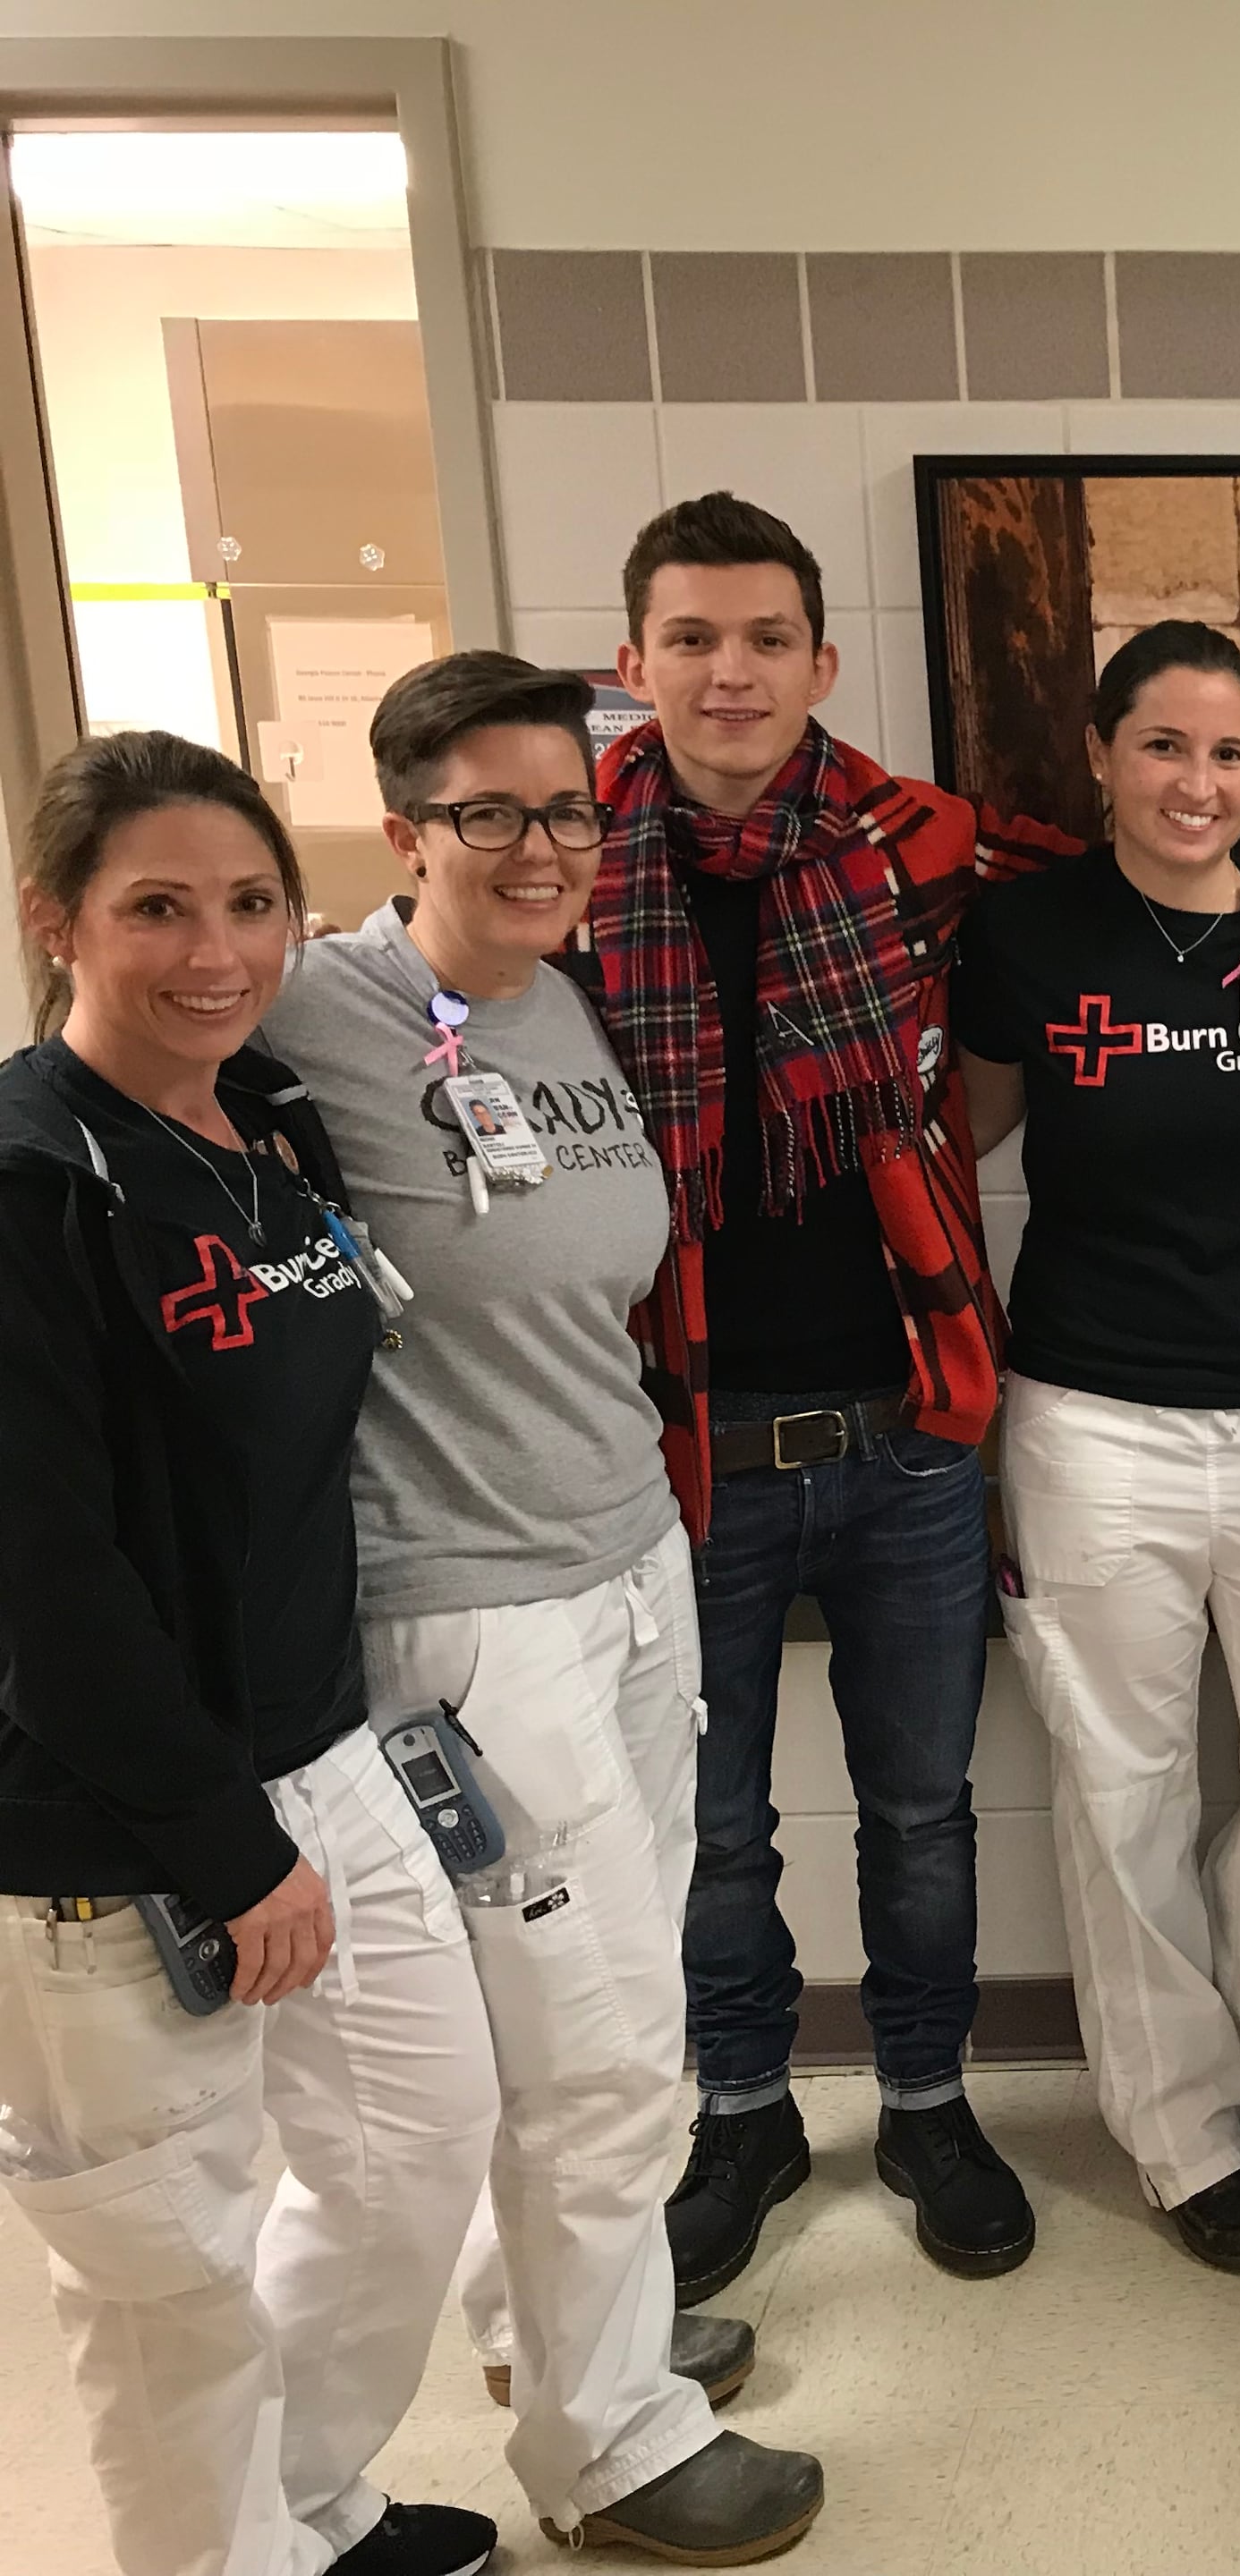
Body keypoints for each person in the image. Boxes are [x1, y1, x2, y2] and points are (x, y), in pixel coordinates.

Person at [261, 654, 827, 2562]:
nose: (540, 848)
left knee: (607, 1985)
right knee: (600, 2045)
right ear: (401, 828)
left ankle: (559, 2333)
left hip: (628, 1560)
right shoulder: (311, 1014)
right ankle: (612, 2446)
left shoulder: (560, 998)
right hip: (468, 1607)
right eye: (488, 813)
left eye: (568, 811)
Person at [0, 733, 501, 2576]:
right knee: (172, 2285)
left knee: (415, 2145)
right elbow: (44, 1584)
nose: (214, 953)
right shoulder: (32, 1185)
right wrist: (224, 1848)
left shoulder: (267, 1123)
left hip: (323, 1749)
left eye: (250, 904)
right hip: (120, 1823)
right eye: (157, 908)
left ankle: (305, 2506)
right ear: (56, 920)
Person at [571, 492, 1060, 2304]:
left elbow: (1139, 856)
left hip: (902, 1421)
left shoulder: (920, 844)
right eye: (693, 638)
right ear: (636, 662)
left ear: (822, 661)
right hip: (677, 1436)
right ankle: (746, 2111)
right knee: (710, 1826)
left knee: (922, 1807)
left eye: (766, 638)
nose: (731, 671)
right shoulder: (567, 863)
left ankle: (928, 2101)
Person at [953, 623, 1240, 2276]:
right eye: (1163, 747)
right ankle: (1187, 2125)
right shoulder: (1026, 931)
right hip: (1093, 1421)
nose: (1197, 784)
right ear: (1101, 755)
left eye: (1228, 754)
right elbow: (952, 1144)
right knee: (1127, 1786)